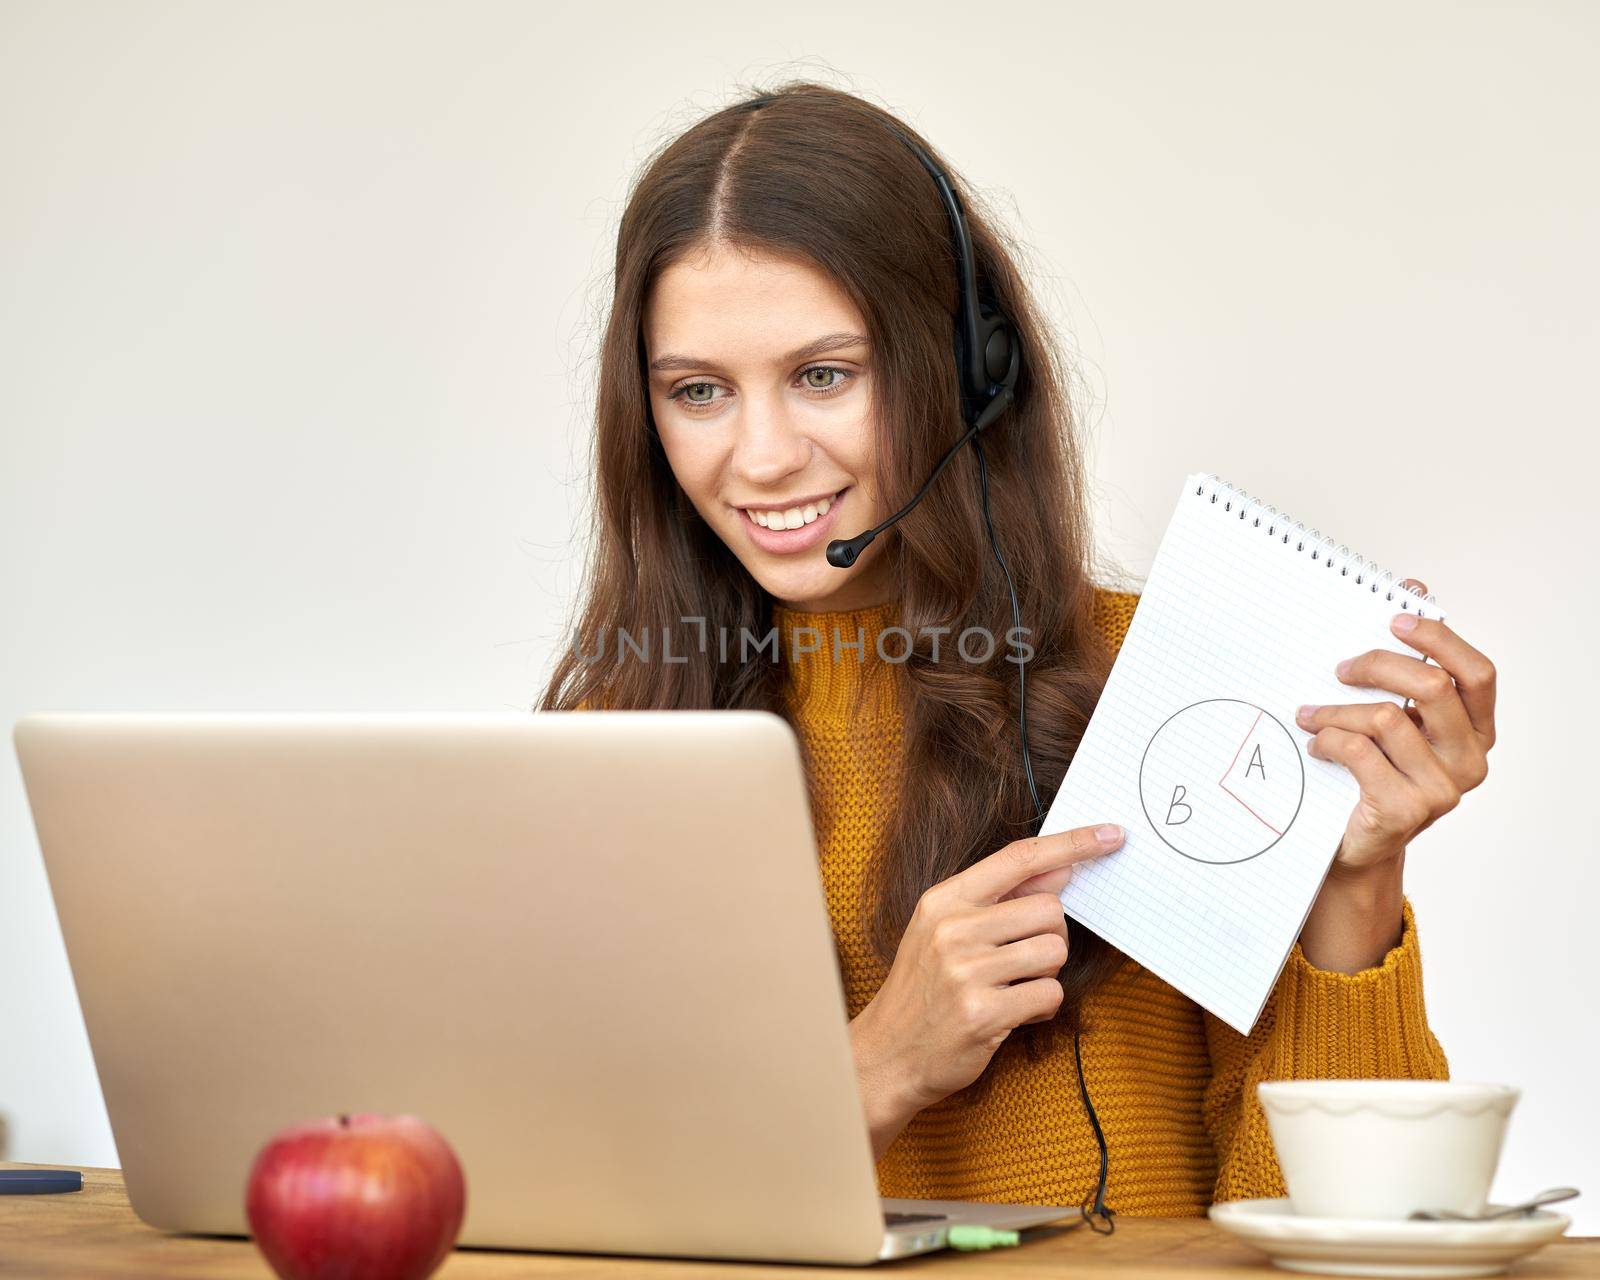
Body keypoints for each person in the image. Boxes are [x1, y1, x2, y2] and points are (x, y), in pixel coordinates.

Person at [539, 82, 1498, 1217]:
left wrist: (1355, 881)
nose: (759, 456)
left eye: (823, 375)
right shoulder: (605, 752)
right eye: (698, 391)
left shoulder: (1169, 679)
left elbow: (1349, 1230)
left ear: (968, 369)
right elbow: (589, 1221)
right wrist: (880, 1063)